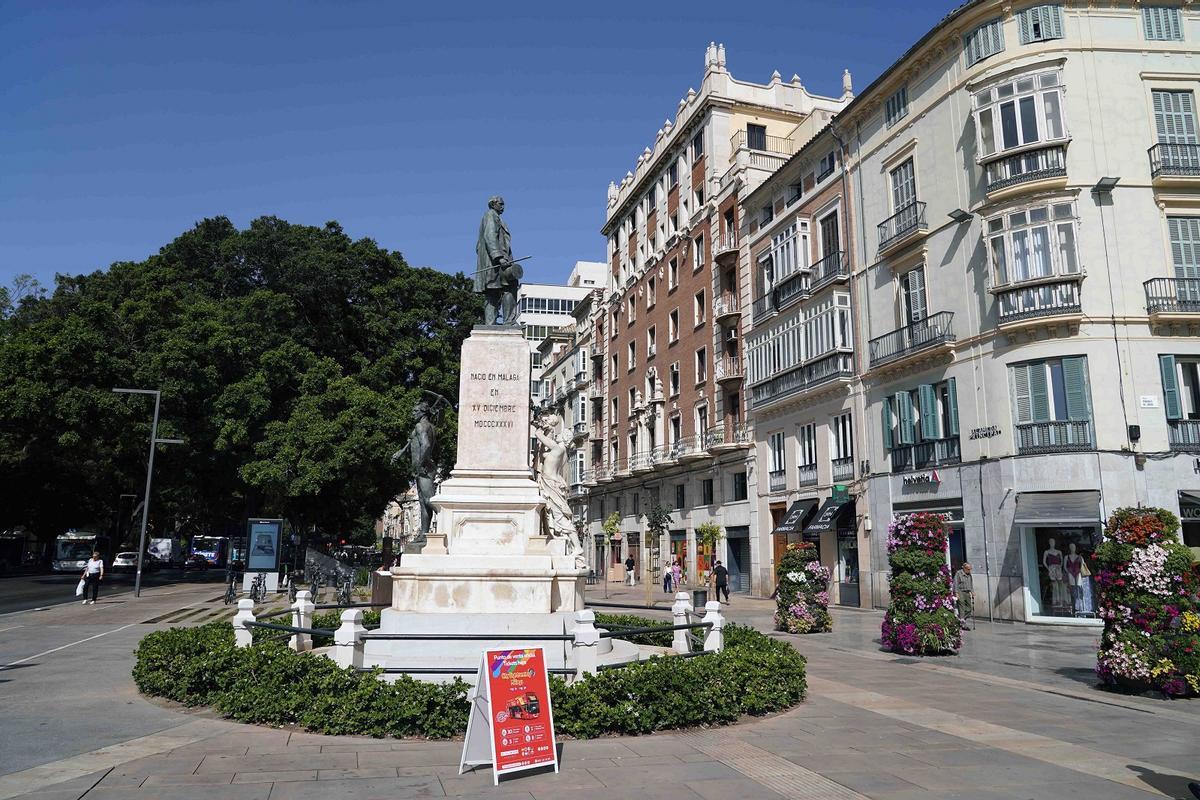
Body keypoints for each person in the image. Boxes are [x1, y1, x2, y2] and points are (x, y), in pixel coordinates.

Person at [954, 562, 974, 630]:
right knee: (961, 607)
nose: (969, 570)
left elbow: (971, 583)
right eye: (968, 569)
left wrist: (972, 591)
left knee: (969, 609)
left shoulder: (969, 575)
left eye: (970, 569)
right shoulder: (959, 573)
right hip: (960, 592)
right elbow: (955, 583)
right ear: (964, 568)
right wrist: (956, 593)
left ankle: (960, 619)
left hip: (967, 592)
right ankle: (963, 625)